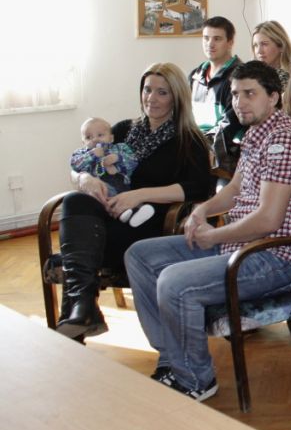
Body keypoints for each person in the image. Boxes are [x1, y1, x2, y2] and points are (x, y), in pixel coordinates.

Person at [125, 61, 291, 401]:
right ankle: (173, 359)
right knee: (140, 256)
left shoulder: (285, 140)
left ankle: (196, 380)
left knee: (174, 282)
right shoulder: (257, 133)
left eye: (250, 94)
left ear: (273, 97)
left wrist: (213, 236)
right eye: (234, 94)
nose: (239, 102)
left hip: (275, 257)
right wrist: (201, 210)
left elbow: (268, 220)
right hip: (242, 245)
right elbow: (234, 189)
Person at [56, 63, 211, 339]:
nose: (151, 98)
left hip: (149, 223)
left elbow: (198, 188)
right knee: (74, 202)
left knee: (78, 251)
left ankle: (81, 310)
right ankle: (83, 307)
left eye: (162, 92)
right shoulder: (123, 130)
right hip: (108, 214)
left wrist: (139, 195)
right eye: (147, 90)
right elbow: (79, 162)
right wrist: (84, 179)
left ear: (177, 98)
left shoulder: (189, 140)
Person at [69, 117, 154, 228]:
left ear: (111, 138)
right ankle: (124, 213)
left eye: (100, 135)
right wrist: (92, 155)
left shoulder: (120, 148)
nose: (95, 140)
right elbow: (75, 165)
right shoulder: (82, 153)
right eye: (88, 137)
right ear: (83, 142)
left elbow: (133, 161)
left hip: (122, 185)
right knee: (104, 193)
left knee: (128, 197)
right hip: (99, 188)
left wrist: (118, 158)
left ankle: (137, 211)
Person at [190, 16, 241, 139]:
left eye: (217, 39)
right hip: (195, 142)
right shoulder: (195, 76)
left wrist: (201, 143)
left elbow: (230, 125)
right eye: (206, 38)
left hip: (222, 146)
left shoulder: (240, 77)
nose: (210, 44)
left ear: (230, 43)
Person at [251, 19, 291, 88]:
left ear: (281, 46)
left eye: (264, 44)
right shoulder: (252, 76)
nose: (259, 51)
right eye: (255, 45)